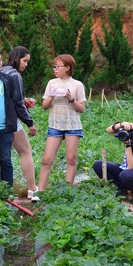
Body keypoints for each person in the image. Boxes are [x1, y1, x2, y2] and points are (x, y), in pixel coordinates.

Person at [0, 47, 39, 201]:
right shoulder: (15, 75)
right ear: (16, 58)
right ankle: (33, 190)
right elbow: (18, 103)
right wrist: (30, 123)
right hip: (10, 120)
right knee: (25, 151)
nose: (26, 64)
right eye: (24, 60)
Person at [37, 54, 86, 193]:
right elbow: (45, 106)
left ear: (67, 68)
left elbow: (81, 109)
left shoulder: (77, 85)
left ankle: (67, 190)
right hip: (55, 125)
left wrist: (71, 99)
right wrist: (52, 95)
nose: (55, 69)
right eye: (54, 66)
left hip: (72, 125)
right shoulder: (52, 83)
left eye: (58, 66)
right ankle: (40, 191)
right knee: (46, 159)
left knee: (71, 159)